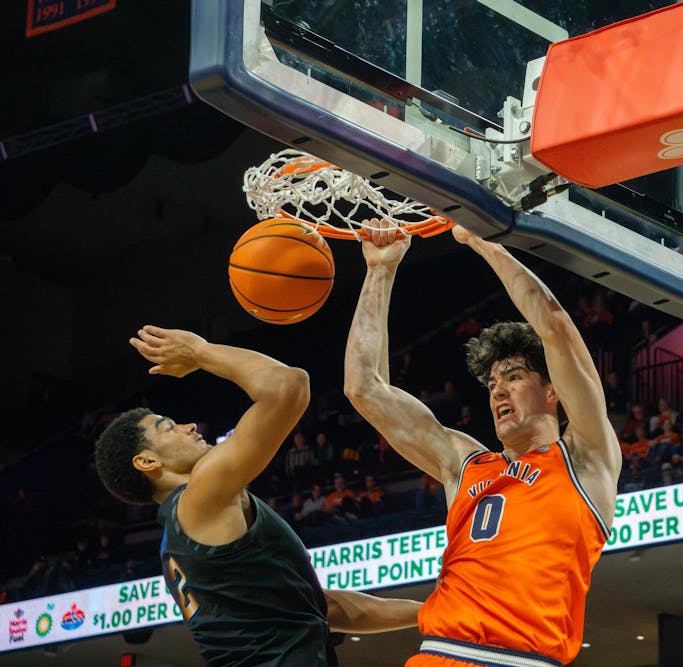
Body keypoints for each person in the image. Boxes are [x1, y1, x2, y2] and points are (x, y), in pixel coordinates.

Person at [344, 222, 621, 667]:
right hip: (437, 655)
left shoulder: (585, 458)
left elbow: (554, 327)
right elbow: (365, 388)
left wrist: (483, 240)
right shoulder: (464, 463)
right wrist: (380, 270)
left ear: (554, 391)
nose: (497, 391)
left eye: (513, 377)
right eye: (492, 383)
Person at [94, 326, 420, 666]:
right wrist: (200, 352)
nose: (189, 426)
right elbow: (288, 386)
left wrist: (431, 612)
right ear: (147, 462)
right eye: (167, 427)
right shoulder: (198, 498)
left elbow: (324, 609)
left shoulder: (184, 529)